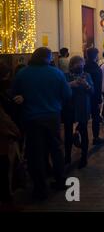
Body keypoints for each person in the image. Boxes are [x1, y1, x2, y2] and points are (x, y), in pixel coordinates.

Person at [12, 47, 71, 200]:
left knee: (35, 153)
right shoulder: (56, 73)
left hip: (31, 118)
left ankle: (39, 187)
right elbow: (67, 94)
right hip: (52, 116)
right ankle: (59, 180)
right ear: (48, 58)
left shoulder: (22, 73)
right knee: (56, 148)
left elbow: (15, 94)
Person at [62, 56, 93, 169]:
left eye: (82, 64)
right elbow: (61, 89)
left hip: (82, 108)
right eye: (77, 64)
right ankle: (67, 157)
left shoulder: (87, 75)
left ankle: (84, 157)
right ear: (71, 65)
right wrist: (71, 84)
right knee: (68, 134)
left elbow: (92, 91)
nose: (80, 66)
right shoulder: (66, 76)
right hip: (69, 108)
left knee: (84, 132)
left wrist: (87, 85)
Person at [0, 63, 21, 210]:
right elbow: (3, 119)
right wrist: (14, 131)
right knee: (3, 169)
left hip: (5, 137)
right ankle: (6, 202)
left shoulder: (5, 92)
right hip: (3, 139)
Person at [84, 48, 104, 145]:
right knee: (96, 117)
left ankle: (81, 136)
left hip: (85, 96)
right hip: (94, 96)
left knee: (84, 118)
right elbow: (98, 85)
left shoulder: (85, 66)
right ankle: (95, 137)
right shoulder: (96, 68)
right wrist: (99, 99)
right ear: (96, 55)